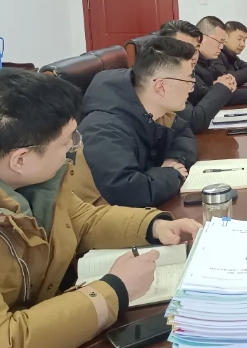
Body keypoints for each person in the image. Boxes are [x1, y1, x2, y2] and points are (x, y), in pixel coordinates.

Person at [0, 68, 201, 348]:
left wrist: (153, 226)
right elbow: (9, 338)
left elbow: (82, 219)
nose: (74, 147)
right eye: (66, 142)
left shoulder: (39, 181)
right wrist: (115, 290)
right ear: (20, 160)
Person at [75, 37, 198, 207]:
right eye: (188, 80)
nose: (191, 88)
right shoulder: (103, 129)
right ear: (161, 87)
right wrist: (171, 175)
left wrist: (174, 160)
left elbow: (183, 132)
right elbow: (128, 192)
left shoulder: (153, 107)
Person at [158, 20, 235, 134]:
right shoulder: (162, 79)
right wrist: (221, 88)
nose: (194, 56)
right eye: (185, 49)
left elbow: (201, 95)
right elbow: (192, 122)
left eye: (196, 48)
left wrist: (222, 87)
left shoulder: (186, 71)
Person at [195, 16, 247, 104]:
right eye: (219, 42)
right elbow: (205, 97)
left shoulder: (208, 60)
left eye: (223, 42)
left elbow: (215, 90)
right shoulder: (191, 64)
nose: (221, 46)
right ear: (201, 38)